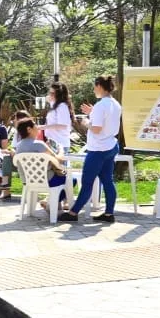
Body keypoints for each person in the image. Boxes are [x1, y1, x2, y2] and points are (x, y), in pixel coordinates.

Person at [60, 75, 122, 223]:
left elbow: (96, 128)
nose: (94, 90)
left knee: (87, 181)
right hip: (111, 146)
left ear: (100, 86)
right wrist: (93, 113)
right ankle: (108, 213)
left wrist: (86, 122)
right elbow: (106, 120)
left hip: (98, 149)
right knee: (107, 180)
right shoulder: (115, 104)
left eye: (95, 87)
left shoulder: (101, 105)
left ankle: (74, 213)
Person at [14, 118, 69, 212]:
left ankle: (52, 204)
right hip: (47, 180)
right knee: (71, 180)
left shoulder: (18, 146)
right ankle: (50, 203)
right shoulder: (39, 144)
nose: (38, 127)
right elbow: (58, 160)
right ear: (29, 129)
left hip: (27, 181)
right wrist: (61, 150)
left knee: (62, 180)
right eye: (35, 125)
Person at [44, 82, 75, 153]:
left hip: (60, 144)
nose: (50, 95)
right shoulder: (56, 105)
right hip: (53, 143)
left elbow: (63, 126)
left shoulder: (62, 106)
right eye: (50, 92)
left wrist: (43, 127)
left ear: (59, 95)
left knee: (59, 164)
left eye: (52, 93)